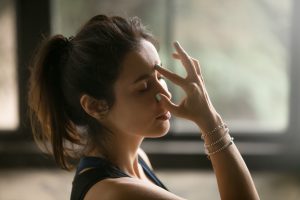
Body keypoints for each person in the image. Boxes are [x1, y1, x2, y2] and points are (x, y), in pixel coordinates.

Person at [28, 15, 260, 200]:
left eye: (160, 77)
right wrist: (209, 120)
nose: (165, 93)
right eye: (143, 87)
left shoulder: (138, 158)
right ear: (95, 106)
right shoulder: (116, 193)